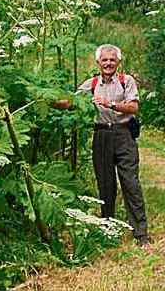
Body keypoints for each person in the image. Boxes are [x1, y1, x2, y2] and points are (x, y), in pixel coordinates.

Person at [54, 44, 150, 247]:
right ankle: (108, 230)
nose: (108, 63)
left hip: (124, 135)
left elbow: (134, 107)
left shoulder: (126, 81)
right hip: (101, 135)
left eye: (112, 60)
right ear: (98, 62)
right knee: (105, 184)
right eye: (104, 60)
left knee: (130, 183)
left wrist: (111, 104)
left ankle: (141, 235)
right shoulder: (91, 83)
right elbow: (71, 102)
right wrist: (47, 100)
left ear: (118, 62)